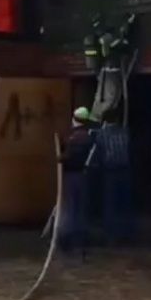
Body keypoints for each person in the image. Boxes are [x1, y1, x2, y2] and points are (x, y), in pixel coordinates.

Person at [57, 107, 96, 255]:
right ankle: (81, 240)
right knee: (80, 208)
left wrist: (60, 157)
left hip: (72, 176)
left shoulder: (74, 139)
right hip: (84, 176)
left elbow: (67, 157)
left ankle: (66, 240)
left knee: (70, 208)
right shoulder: (89, 137)